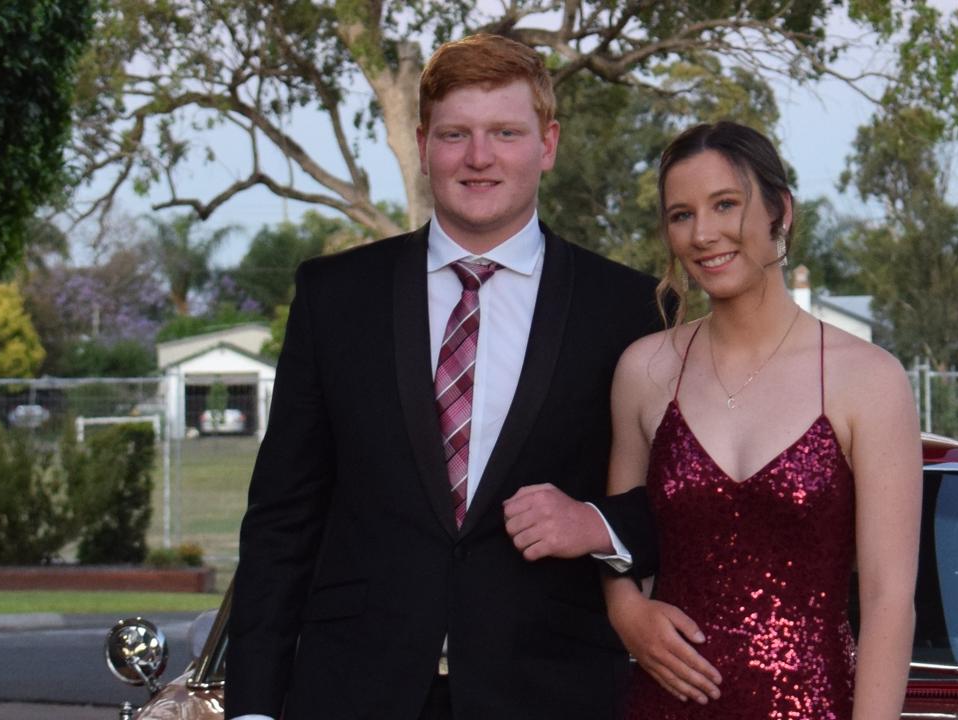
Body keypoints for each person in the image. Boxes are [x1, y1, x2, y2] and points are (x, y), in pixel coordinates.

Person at [224, 34, 661, 720]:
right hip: (352, 692)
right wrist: (251, 708)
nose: (478, 157)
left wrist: (595, 524)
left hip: (551, 693)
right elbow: (283, 519)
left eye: (504, 133)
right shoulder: (334, 296)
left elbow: (676, 501)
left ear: (546, 144)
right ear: (424, 143)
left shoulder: (627, 308)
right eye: (455, 133)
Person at [603, 121, 922, 719]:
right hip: (662, 706)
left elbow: (887, 599)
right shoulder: (644, 370)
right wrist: (625, 610)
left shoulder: (869, 379)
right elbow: (618, 543)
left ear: (781, 210)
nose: (704, 233)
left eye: (726, 204)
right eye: (681, 215)